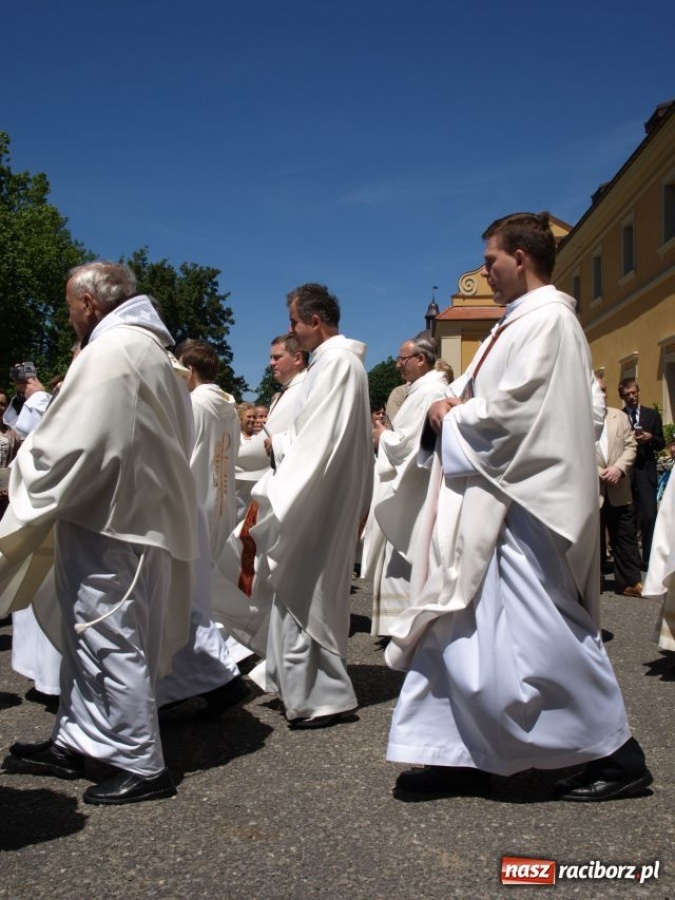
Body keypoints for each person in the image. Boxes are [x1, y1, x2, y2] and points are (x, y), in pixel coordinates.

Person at [385, 212, 652, 802]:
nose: (486, 271)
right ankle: (456, 752)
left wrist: (451, 416)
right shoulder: (517, 322)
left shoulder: (549, 321)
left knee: (540, 633)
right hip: (491, 499)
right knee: (459, 630)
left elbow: (520, 412)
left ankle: (617, 754)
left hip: (520, 508)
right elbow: (489, 398)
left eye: (491, 260)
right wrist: (455, 405)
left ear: (521, 258)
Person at [0, 261, 197, 805]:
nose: (68, 320)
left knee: (110, 636)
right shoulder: (147, 349)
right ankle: (77, 739)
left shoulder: (112, 353)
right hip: (116, 514)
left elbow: (76, 445)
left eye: (68, 307)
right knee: (86, 634)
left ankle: (141, 760)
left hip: (114, 521)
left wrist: (24, 469)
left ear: (89, 303)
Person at [218, 284, 372, 728]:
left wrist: (277, 458)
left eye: (294, 322)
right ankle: (301, 689)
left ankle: (325, 698)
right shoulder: (331, 364)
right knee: (296, 594)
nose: (291, 331)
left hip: (316, 498)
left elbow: (322, 442)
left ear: (315, 320)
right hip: (314, 492)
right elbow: (312, 432)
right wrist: (281, 444)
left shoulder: (338, 363)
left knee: (306, 594)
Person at [156, 338, 249, 715]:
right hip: (222, 502)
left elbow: (177, 450)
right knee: (202, 588)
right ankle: (213, 668)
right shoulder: (227, 404)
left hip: (192, 501)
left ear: (189, 370)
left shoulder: (194, 403)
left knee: (187, 593)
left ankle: (213, 671)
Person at [367, 333, 448, 635]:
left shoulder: (431, 392)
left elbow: (410, 445)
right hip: (412, 487)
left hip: (417, 490)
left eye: (403, 359)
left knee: (408, 559)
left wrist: (382, 437)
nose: (398, 365)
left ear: (421, 359)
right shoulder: (420, 391)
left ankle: (406, 630)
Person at [596, 379, 643, 597]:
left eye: (604, 390)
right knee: (592, 540)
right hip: (592, 489)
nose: (602, 394)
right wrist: (598, 472)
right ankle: (592, 583)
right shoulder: (575, 419)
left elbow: (631, 446)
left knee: (625, 535)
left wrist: (619, 468)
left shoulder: (619, 416)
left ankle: (630, 582)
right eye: (598, 390)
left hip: (619, 485)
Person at [619, 378, 665, 567]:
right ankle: (632, 560)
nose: (631, 397)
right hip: (627, 473)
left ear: (638, 392)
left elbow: (661, 443)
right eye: (627, 394)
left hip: (646, 471)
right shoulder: (619, 417)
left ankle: (648, 558)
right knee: (629, 516)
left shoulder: (651, 415)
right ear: (622, 396)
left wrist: (650, 438)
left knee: (648, 514)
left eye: (634, 393)